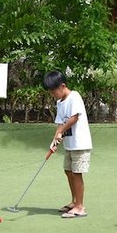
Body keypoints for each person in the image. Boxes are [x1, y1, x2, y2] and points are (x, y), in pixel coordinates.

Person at [43, 71, 92, 219]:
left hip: (80, 144)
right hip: (70, 145)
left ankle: (80, 207)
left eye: (53, 91)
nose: (53, 95)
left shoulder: (74, 96)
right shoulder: (60, 102)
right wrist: (55, 141)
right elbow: (60, 124)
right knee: (68, 171)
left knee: (77, 173)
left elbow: (74, 118)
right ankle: (74, 202)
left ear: (63, 86)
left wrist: (61, 131)